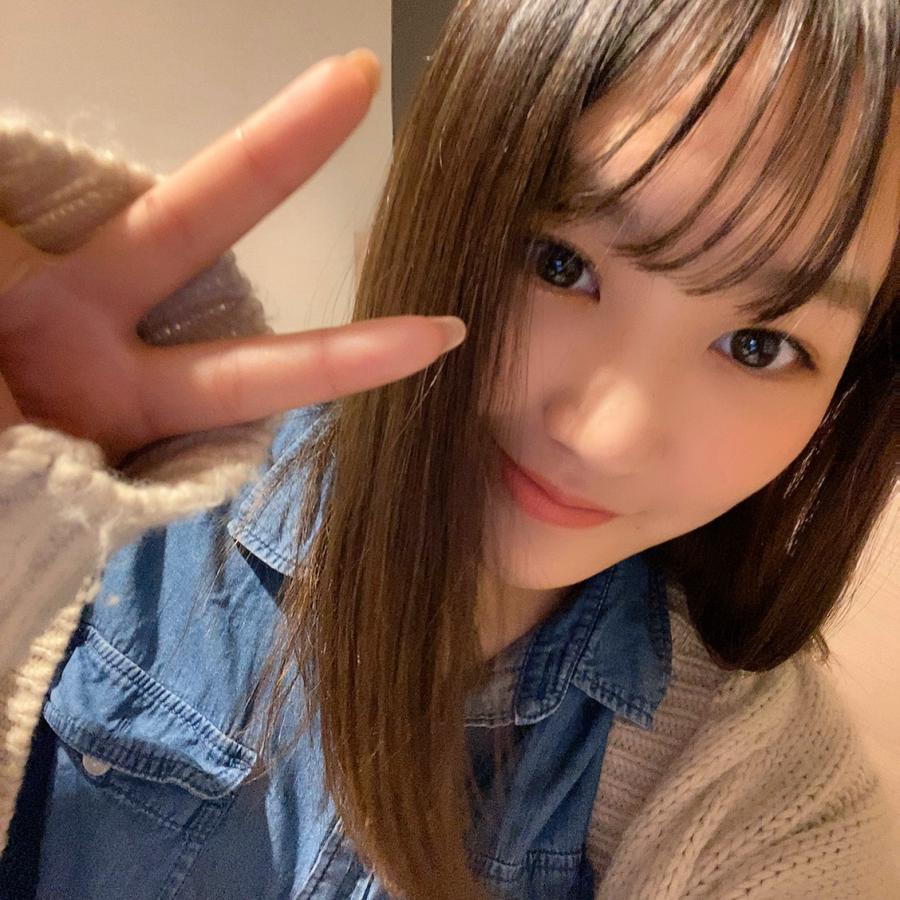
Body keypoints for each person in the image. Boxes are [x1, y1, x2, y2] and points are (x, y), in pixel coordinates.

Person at [0, 0, 897, 897]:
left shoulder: (769, 802)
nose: (603, 438)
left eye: (759, 346)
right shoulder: (121, 518)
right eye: (557, 263)